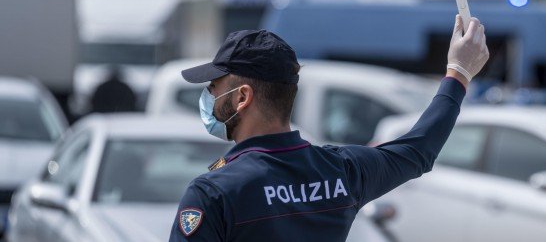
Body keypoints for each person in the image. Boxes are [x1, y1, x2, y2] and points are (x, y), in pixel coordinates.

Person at [169, 15, 488, 241]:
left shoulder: (212, 192)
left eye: (214, 86)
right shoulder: (341, 171)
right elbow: (417, 152)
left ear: (242, 97)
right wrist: (458, 74)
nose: (209, 95)